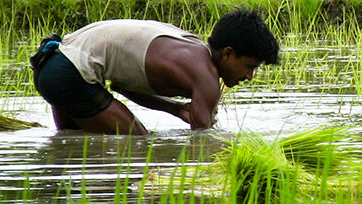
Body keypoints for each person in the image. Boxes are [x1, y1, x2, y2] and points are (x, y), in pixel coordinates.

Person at [30, 9, 279, 135]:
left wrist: (177, 109)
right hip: (71, 73)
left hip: (52, 66)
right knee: (138, 143)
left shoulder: (188, 48)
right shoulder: (206, 79)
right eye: (249, 67)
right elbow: (202, 141)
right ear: (228, 53)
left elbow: (120, 86)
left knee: (71, 148)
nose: (249, 77)